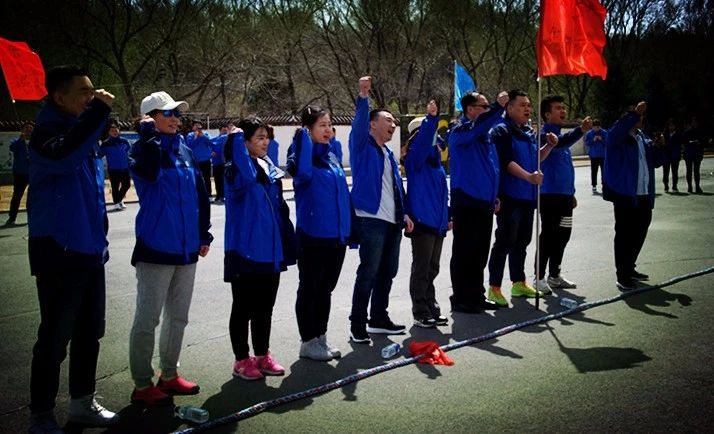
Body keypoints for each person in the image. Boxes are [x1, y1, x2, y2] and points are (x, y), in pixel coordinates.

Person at [27, 65, 119, 433]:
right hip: (58, 251)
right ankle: (41, 415)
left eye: (93, 91)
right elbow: (65, 156)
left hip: (89, 250)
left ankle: (83, 403)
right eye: (84, 92)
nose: (92, 97)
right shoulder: (45, 134)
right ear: (59, 97)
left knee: (89, 333)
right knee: (54, 339)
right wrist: (98, 112)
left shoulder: (84, 132)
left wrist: (101, 238)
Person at [128, 91, 213, 405]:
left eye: (177, 113)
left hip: (186, 248)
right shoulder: (141, 149)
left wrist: (203, 233)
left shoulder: (184, 148)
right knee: (147, 319)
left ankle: (169, 374)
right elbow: (149, 173)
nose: (176, 118)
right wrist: (148, 136)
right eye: (168, 113)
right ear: (149, 118)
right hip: (155, 247)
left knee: (178, 317)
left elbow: (200, 192)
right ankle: (142, 383)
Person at [224, 116, 296, 379]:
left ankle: (262, 354)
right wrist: (235, 141)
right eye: (259, 138)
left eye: (267, 138)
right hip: (244, 251)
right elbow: (246, 175)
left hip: (270, 251)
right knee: (243, 307)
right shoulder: (235, 170)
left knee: (265, 308)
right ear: (244, 143)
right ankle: (242, 359)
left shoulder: (269, 168)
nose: (265, 143)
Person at [348, 76, 414, 344]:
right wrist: (363, 96)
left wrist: (405, 213)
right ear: (372, 124)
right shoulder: (361, 146)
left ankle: (378, 319)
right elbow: (358, 123)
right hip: (371, 219)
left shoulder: (388, 153)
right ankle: (357, 324)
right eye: (388, 120)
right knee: (368, 273)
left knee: (388, 272)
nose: (393, 124)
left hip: (393, 221)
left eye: (394, 121)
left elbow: (396, 187)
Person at [286, 105, 352, 360]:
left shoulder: (331, 156)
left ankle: (321, 337)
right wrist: (303, 141)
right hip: (313, 235)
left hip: (336, 236)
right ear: (308, 129)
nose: (328, 130)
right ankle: (308, 340)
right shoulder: (301, 155)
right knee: (310, 288)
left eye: (329, 125)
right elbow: (302, 175)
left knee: (326, 289)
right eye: (322, 125)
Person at [486, 90, 557, 306]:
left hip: (528, 196)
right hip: (509, 196)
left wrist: (549, 146)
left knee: (522, 241)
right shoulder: (501, 131)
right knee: (505, 241)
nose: (527, 109)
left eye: (528, 105)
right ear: (509, 108)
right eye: (522, 105)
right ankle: (494, 287)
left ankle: (519, 282)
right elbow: (506, 162)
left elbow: (535, 159)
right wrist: (528, 177)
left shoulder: (528, 131)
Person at [448, 90, 507, 314]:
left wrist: (494, 195)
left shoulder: (485, 134)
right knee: (465, 251)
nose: (488, 111)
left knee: (480, 252)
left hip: (484, 200)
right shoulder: (461, 131)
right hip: (466, 200)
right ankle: (461, 297)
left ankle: (476, 295)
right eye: (484, 106)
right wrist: (498, 107)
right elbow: (480, 126)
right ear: (470, 109)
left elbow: (491, 167)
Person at [534, 95, 592, 294]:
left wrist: (571, 193)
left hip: (565, 195)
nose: (563, 111)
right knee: (548, 235)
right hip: (549, 194)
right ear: (547, 114)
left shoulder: (562, 137)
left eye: (563, 107)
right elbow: (559, 144)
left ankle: (555, 275)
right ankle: (538, 277)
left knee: (563, 235)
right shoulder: (545, 135)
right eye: (558, 108)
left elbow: (566, 167)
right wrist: (581, 130)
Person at [603, 101, 662, 290]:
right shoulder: (617, 136)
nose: (640, 119)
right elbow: (619, 130)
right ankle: (622, 275)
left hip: (644, 193)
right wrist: (634, 113)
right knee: (624, 235)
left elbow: (656, 162)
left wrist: (660, 147)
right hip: (625, 194)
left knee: (640, 232)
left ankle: (630, 267)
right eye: (637, 116)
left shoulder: (643, 138)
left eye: (641, 116)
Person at [403, 100, 451, 327]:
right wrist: (431, 120)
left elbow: (442, 194)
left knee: (433, 268)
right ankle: (420, 310)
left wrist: (447, 216)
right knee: (421, 269)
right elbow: (423, 144)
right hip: (422, 222)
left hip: (437, 222)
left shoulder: (436, 165)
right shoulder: (415, 160)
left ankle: (431, 305)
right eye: (432, 135)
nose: (436, 141)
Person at [100, 122, 131, 211]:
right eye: (112, 131)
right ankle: (117, 203)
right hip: (113, 169)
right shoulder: (105, 144)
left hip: (125, 168)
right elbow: (100, 154)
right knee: (115, 187)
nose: (114, 132)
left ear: (119, 131)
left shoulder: (124, 141)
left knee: (127, 185)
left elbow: (129, 151)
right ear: (109, 132)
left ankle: (119, 200)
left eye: (116, 130)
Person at [6, 122, 32, 225]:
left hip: (32, 172)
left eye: (30, 129)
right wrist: (20, 140)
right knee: (17, 195)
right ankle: (12, 217)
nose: (29, 131)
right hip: (20, 173)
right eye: (27, 128)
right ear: (23, 130)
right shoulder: (16, 141)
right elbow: (12, 148)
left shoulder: (35, 143)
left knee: (33, 196)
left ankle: (32, 217)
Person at [186, 120, 213, 196]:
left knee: (207, 178)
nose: (198, 127)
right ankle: (197, 195)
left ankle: (209, 194)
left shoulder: (206, 134)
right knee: (197, 178)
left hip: (206, 160)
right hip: (195, 161)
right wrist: (195, 137)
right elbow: (189, 146)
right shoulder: (190, 135)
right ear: (193, 127)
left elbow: (211, 142)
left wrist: (202, 136)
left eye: (199, 125)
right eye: (196, 125)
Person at [682, 116, 705, 194]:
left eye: (695, 122)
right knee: (689, 171)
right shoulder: (687, 132)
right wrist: (690, 142)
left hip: (697, 153)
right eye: (693, 122)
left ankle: (697, 186)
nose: (694, 123)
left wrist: (699, 142)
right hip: (689, 153)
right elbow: (683, 142)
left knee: (696, 171)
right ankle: (690, 186)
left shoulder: (700, 132)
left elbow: (704, 142)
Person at [584, 119, 607, 194]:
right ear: (592, 127)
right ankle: (594, 185)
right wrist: (593, 140)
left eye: (598, 127)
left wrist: (601, 139)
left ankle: (604, 185)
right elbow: (586, 143)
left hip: (603, 155)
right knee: (594, 171)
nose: (596, 129)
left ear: (600, 126)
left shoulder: (604, 132)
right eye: (595, 127)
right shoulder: (589, 133)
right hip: (593, 155)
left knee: (604, 171)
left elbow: (608, 143)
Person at [211, 124, 231, 203]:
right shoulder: (215, 139)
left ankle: (223, 195)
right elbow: (209, 146)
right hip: (216, 163)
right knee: (217, 180)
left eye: (226, 129)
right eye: (223, 129)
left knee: (224, 180)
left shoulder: (228, 139)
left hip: (225, 163)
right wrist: (211, 152)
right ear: (219, 130)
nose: (225, 130)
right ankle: (218, 195)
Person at [662, 118, 683, 192]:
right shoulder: (665, 134)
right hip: (666, 155)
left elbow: (680, 145)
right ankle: (666, 186)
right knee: (665, 172)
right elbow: (662, 145)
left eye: (672, 126)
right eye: (670, 126)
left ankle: (674, 186)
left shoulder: (678, 134)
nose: (671, 127)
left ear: (675, 126)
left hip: (675, 155)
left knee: (675, 172)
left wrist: (678, 155)